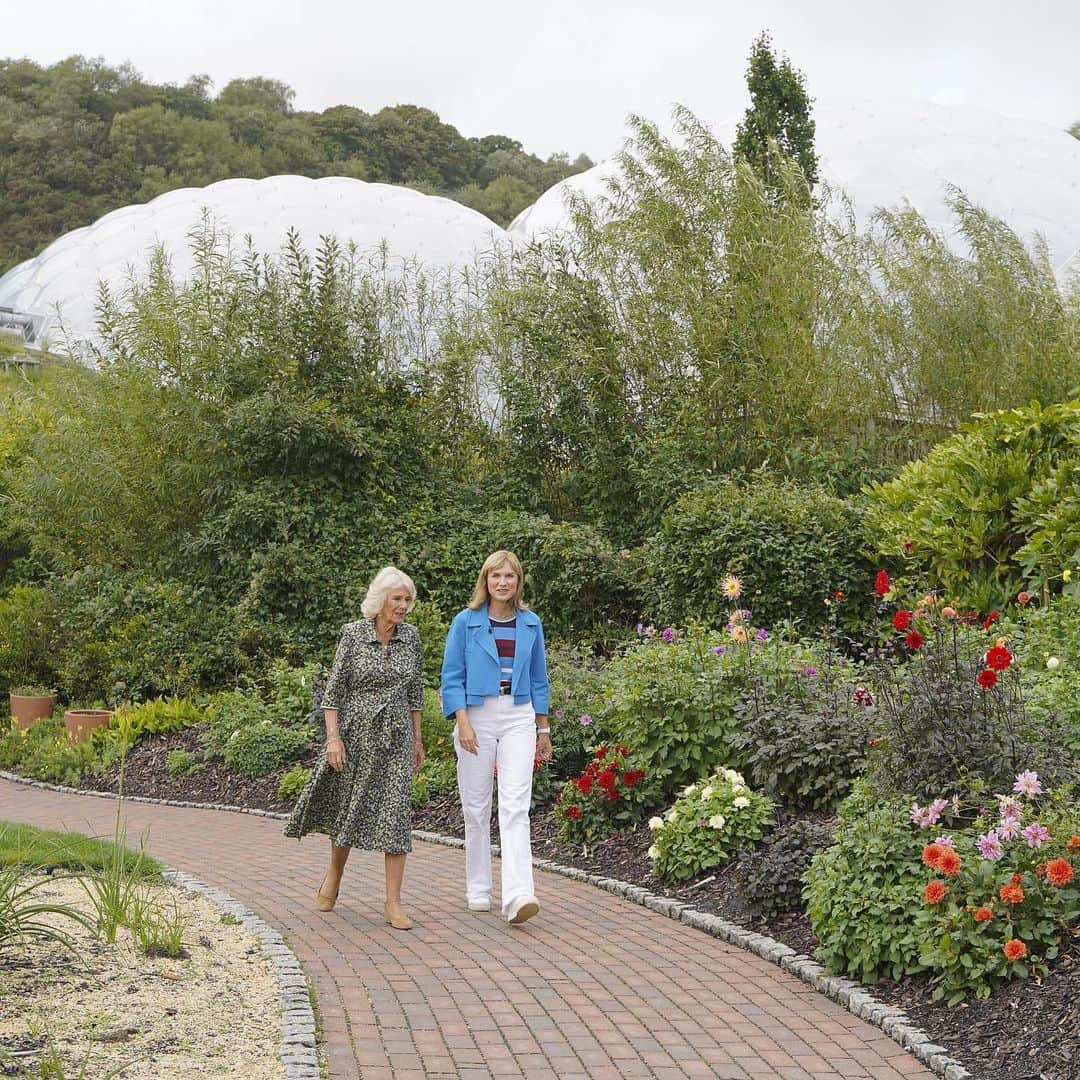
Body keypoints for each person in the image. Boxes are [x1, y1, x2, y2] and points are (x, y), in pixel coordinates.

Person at [284, 566, 424, 930]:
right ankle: (334, 872)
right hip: (355, 733)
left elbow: (415, 694)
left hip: (395, 737)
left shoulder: (411, 638)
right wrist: (334, 738)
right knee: (348, 808)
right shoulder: (352, 634)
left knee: (395, 815)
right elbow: (334, 691)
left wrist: (418, 740)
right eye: (398, 598)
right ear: (380, 600)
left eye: (408, 599)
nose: (404, 606)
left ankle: (393, 902)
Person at [441, 550, 552, 924]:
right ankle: (478, 887)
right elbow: (451, 676)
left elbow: (539, 679)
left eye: (510, 576)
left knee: (515, 806)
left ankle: (520, 894)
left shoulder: (531, 623)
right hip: (476, 715)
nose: (502, 582)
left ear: (518, 582)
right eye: (495, 576)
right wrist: (463, 721)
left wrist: (544, 728)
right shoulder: (466, 622)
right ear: (485, 581)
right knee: (475, 807)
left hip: (518, 714)